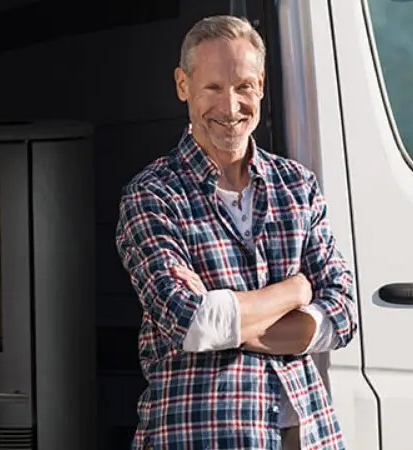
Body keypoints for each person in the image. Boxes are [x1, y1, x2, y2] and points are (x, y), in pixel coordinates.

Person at [114, 15, 358, 450]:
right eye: (213, 87)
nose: (230, 108)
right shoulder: (152, 194)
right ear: (183, 85)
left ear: (261, 85)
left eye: (243, 86)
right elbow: (190, 322)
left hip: (307, 434)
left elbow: (343, 313)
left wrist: (226, 322)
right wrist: (297, 290)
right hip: (204, 436)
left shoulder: (297, 185)